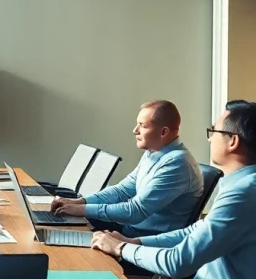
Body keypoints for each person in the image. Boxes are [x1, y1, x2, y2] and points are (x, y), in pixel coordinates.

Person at [91, 100, 256, 279]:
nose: (210, 138)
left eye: (213, 131)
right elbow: (194, 231)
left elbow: (177, 264)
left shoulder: (245, 194)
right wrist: (134, 242)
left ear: (232, 141)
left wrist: (120, 249)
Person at [52, 100, 203, 238]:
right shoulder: (153, 152)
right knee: (57, 228)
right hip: (129, 230)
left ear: (163, 132)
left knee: (66, 236)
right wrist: (80, 202)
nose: (135, 130)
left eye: (143, 126)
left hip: (144, 241)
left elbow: (135, 211)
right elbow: (122, 191)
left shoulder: (177, 164)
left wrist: (81, 210)